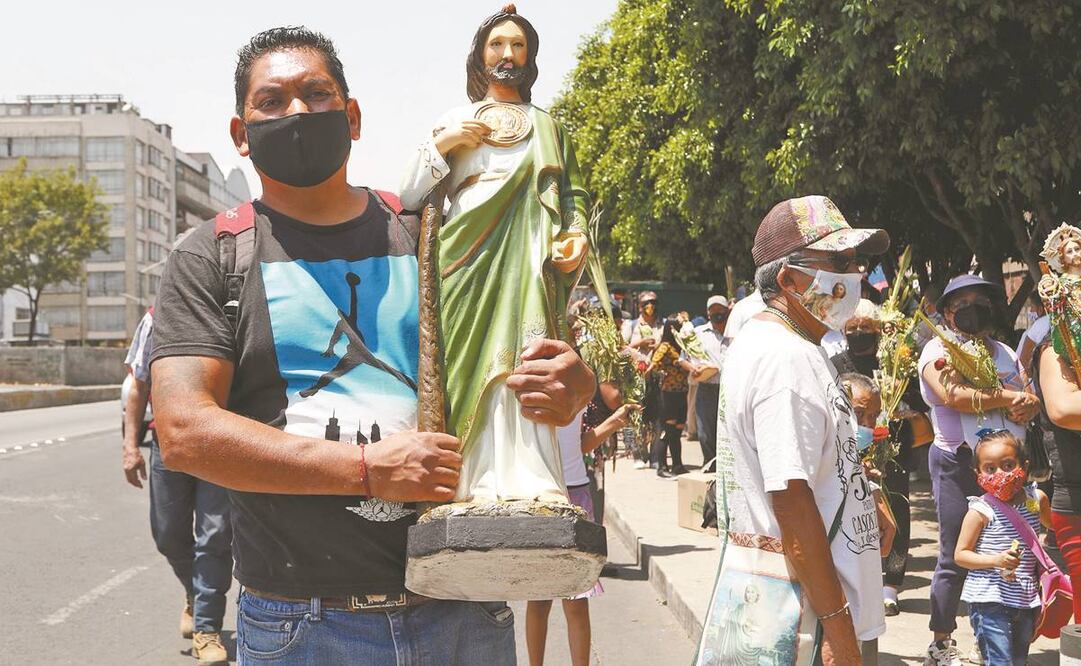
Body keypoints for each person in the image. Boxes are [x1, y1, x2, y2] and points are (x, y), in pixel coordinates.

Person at [149, 26, 595, 665]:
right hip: (301, 628)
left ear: (352, 117)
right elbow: (185, 430)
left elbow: (543, 341)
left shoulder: (429, 231)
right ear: (240, 135)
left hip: (460, 609)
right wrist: (366, 470)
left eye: (317, 93)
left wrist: (569, 385)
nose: (297, 112)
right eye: (271, 102)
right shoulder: (213, 257)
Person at [399, 5, 590, 504]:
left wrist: (576, 233)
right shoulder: (454, 119)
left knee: (525, 363)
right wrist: (445, 147)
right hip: (462, 262)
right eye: (497, 45)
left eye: (518, 45)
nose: (508, 54)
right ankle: (465, 481)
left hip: (528, 262)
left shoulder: (549, 127)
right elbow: (409, 196)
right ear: (481, 56)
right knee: (464, 365)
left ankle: (532, 476)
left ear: (530, 58)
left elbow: (574, 196)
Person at [722, 195, 891, 665]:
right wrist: (839, 631)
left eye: (856, 261)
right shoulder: (785, 358)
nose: (855, 274)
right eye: (839, 261)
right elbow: (792, 502)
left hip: (809, 606)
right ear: (788, 278)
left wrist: (863, 497)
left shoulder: (792, 343)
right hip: (809, 622)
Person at [918, 274, 1041, 665]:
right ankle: (941, 640)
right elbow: (954, 395)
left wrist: (1030, 404)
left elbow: (1028, 394)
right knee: (956, 552)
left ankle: (990, 630)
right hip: (958, 462)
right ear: (948, 312)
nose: (972, 309)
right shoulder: (936, 351)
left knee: (1008, 547)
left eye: (980, 301)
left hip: (1005, 465)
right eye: (962, 302)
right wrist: (1011, 397)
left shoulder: (1004, 351)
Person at [122, 304, 232, 666]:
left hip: (221, 443)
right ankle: (195, 592)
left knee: (215, 536)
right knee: (168, 534)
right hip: (169, 443)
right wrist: (129, 448)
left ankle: (207, 630)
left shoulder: (230, 311)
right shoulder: (156, 319)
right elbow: (137, 386)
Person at [526, 398, 639, 666]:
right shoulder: (529, 381)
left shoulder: (579, 383)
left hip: (577, 493)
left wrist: (615, 422)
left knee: (577, 599)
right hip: (540, 494)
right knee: (539, 598)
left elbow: (577, 445)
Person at [955, 430, 1051, 665]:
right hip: (989, 598)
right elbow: (960, 555)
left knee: (1018, 660)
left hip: (1025, 598)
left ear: (1024, 466)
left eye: (1008, 465)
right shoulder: (980, 510)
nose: (1000, 474)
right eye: (990, 469)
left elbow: (1055, 526)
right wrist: (995, 560)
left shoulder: (1035, 500)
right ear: (978, 473)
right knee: (1000, 661)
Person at [648, 316, 704, 477]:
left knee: (677, 430)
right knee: (667, 430)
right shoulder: (665, 347)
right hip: (668, 394)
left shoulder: (681, 346)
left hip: (682, 392)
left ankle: (677, 465)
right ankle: (662, 466)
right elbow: (653, 364)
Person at [694, 295, 730, 473]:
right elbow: (684, 359)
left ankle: (725, 469)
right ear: (707, 313)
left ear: (727, 310)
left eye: (720, 310)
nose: (717, 314)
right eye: (713, 311)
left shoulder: (736, 332)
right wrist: (693, 369)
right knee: (704, 433)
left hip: (729, 391)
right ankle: (710, 466)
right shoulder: (699, 333)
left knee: (726, 433)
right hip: (706, 389)